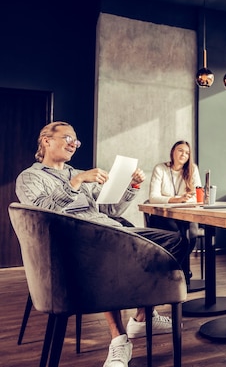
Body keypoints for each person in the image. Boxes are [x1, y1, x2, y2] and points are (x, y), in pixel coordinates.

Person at [15, 121, 187, 367]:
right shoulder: (30, 177)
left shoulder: (79, 174)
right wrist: (76, 182)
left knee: (174, 242)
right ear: (46, 141)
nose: (73, 144)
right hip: (77, 242)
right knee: (109, 253)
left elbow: (110, 209)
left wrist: (131, 186)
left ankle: (142, 315)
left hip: (111, 230)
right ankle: (119, 340)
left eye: (76, 140)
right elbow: (44, 213)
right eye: (67, 138)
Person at [148, 140, 203, 284]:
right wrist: (177, 199)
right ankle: (178, 271)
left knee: (192, 235)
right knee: (178, 237)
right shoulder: (160, 169)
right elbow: (153, 198)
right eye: (180, 150)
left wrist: (186, 199)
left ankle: (176, 269)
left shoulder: (193, 169)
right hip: (163, 215)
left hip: (185, 214)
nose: (184, 154)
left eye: (187, 152)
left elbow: (198, 196)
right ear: (173, 152)